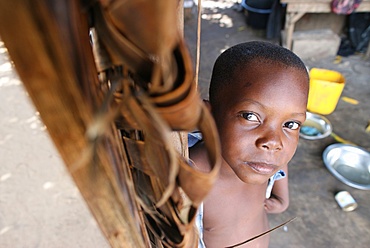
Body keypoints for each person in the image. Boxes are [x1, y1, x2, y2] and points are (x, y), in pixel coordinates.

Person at [189, 41, 309, 248]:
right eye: (250, 116)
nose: (273, 142)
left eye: (290, 124)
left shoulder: (266, 156)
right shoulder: (191, 175)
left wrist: (282, 197)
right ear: (208, 117)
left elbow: (281, 162)